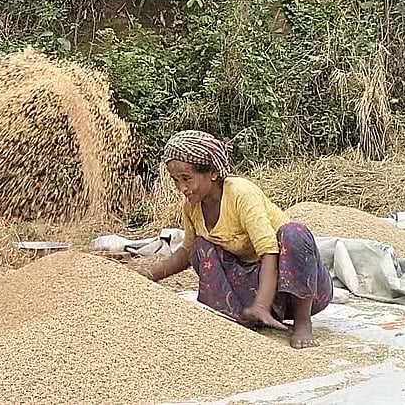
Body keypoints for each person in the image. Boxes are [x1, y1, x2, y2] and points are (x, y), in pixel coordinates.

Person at [138, 130, 332, 349]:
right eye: (176, 180)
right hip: (255, 286)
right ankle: (241, 319)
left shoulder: (241, 193)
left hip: (295, 286)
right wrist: (147, 275)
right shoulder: (192, 207)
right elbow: (186, 252)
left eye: (187, 179)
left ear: (212, 172)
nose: (182, 188)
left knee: (294, 232)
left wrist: (262, 303)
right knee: (201, 248)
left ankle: (302, 322)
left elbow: (269, 251)